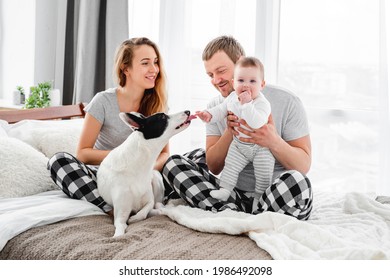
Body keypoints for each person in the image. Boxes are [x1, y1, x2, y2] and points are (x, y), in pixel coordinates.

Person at [162, 35, 313, 220]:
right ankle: (245, 216)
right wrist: (230, 130)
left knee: (298, 184)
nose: (216, 80)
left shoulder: (286, 101)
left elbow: (303, 166)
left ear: (240, 63)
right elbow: (214, 166)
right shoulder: (216, 106)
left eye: (221, 71)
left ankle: (244, 216)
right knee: (173, 165)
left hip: (273, 195)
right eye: (210, 75)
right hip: (234, 195)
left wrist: (273, 141)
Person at [47, 37, 168, 213]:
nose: (154, 69)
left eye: (156, 62)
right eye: (145, 63)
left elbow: (165, 154)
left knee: (191, 158)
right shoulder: (103, 101)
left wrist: (145, 168)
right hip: (106, 176)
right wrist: (125, 159)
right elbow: (83, 153)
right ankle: (109, 209)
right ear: (125, 68)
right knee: (58, 161)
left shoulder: (157, 104)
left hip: (143, 177)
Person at [196, 56, 274, 208]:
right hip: (239, 145)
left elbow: (257, 122)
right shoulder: (232, 98)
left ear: (262, 84)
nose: (246, 85)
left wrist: (247, 105)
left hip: (260, 148)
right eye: (241, 81)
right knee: (231, 165)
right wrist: (208, 115)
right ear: (234, 82)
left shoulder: (262, 103)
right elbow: (220, 110)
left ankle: (259, 198)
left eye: (252, 81)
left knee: (264, 173)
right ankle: (225, 189)